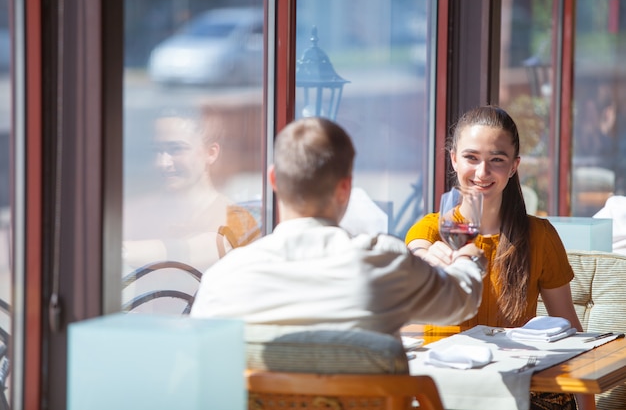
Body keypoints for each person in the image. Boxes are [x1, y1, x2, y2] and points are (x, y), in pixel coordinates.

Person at [191, 116, 486, 336]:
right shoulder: (383, 262)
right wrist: (468, 257)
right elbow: (461, 301)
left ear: (274, 180)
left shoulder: (222, 279)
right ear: (345, 188)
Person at [405, 105, 595, 410]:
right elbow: (417, 248)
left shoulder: (539, 235)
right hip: (445, 391)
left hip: (514, 390)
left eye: (497, 160)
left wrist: (587, 404)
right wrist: (426, 257)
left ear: (514, 166)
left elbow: (570, 331)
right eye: (471, 157)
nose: (482, 173)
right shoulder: (432, 228)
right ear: (453, 158)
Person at [123, 107, 261, 312]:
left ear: (211, 153)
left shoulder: (238, 220)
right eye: (157, 151)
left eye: (176, 149)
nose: (163, 162)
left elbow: (187, 251)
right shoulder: (135, 211)